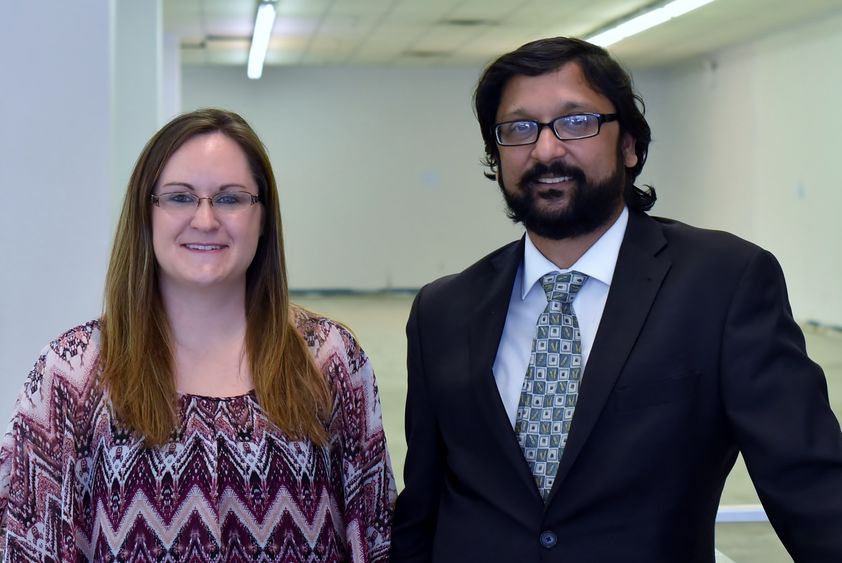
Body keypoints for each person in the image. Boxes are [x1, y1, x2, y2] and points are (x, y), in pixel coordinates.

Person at [390, 37, 842, 562]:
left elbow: (811, 487)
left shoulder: (723, 283)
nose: (546, 149)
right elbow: (422, 508)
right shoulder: (442, 310)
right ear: (497, 155)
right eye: (519, 129)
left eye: (576, 121)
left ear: (629, 144)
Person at [0, 108, 395, 561]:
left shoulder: (329, 358)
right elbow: (26, 545)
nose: (205, 220)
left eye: (230, 199)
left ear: (262, 217)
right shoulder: (71, 374)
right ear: (145, 214)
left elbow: (377, 537)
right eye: (180, 198)